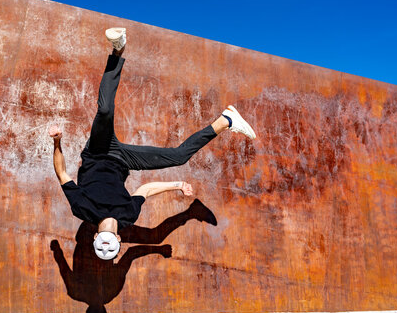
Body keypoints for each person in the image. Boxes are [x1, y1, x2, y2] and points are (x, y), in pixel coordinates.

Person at [49, 27, 256, 260]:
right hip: (123, 160)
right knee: (178, 157)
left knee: (105, 110)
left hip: (98, 151)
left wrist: (57, 143)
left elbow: (62, 173)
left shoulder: (82, 209)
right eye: (111, 248)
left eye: (101, 247)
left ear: (95, 237)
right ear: (118, 240)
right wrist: (177, 185)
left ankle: (118, 51)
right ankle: (226, 121)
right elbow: (146, 191)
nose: (106, 245)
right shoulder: (128, 215)